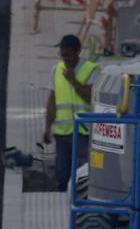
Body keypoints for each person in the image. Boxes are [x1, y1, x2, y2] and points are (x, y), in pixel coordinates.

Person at [42, 34, 98, 192]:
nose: (65, 59)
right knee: (62, 172)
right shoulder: (56, 70)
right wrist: (47, 127)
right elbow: (52, 100)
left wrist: (73, 81)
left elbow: (91, 98)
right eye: (62, 55)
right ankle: (62, 200)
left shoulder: (90, 70)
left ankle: (80, 203)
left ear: (77, 52)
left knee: (82, 173)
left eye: (68, 55)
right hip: (63, 133)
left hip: (84, 132)